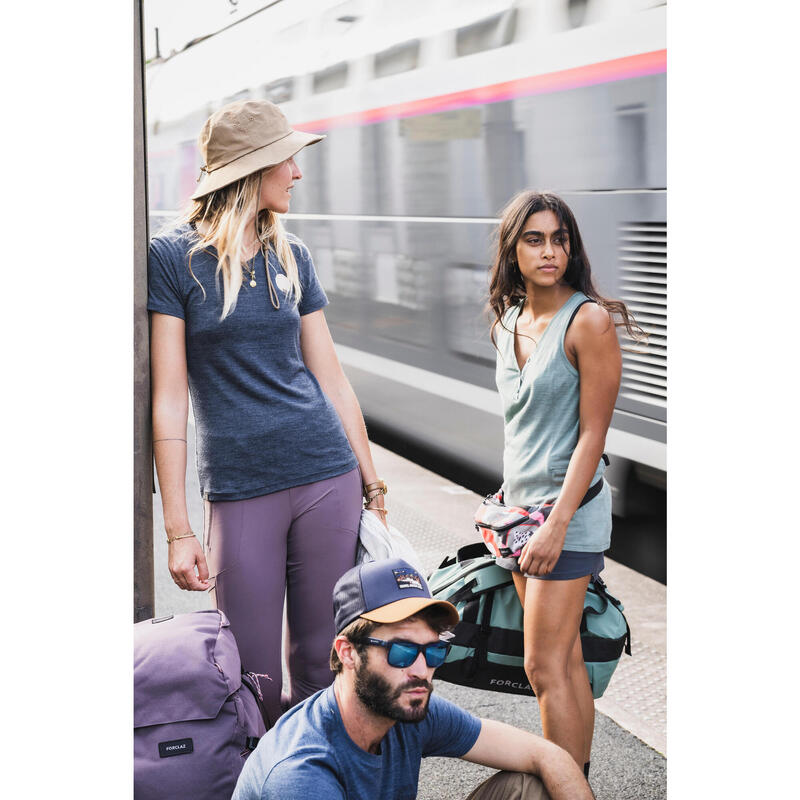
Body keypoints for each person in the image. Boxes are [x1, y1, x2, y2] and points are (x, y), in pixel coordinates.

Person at [148, 99, 389, 725]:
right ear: (252, 169)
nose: (297, 173)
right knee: (250, 678)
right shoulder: (173, 260)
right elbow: (169, 399)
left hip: (325, 475)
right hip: (241, 486)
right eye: (288, 160)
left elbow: (330, 377)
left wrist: (371, 479)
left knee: (323, 664)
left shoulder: (293, 256)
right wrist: (178, 529)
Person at [486, 191, 642, 774]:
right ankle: (573, 785)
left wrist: (555, 526)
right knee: (564, 662)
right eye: (534, 239)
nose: (549, 250)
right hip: (520, 517)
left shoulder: (589, 322)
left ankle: (561, 786)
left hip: (565, 518)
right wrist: (510, 509)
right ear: (513, 249)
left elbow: (592, 438)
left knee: (542, 667)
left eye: (559, 239)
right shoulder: (509, 321)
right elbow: (522, 430)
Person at [233, 558, 594, 800]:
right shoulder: (302, 775)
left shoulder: (405, 704)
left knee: (529, 788)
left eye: (434, 651)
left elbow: (547, 754)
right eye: (401, 652)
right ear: (347, 653)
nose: (421, 670)